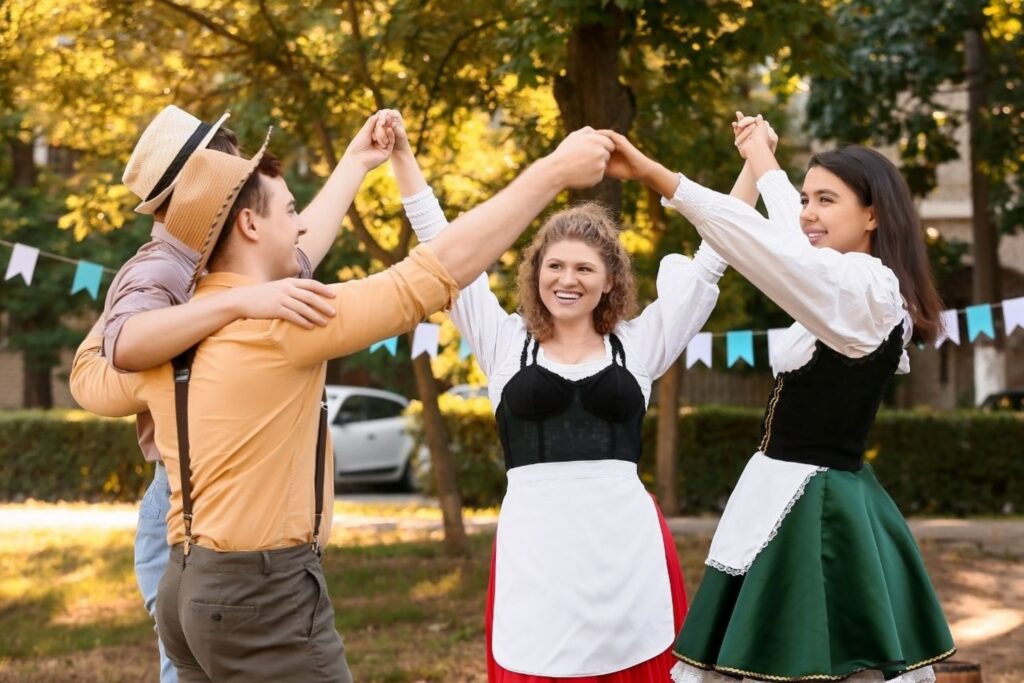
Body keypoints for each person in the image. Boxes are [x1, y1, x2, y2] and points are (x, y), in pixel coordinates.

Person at [70, 124, 614, 682]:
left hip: (186, 588)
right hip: (264, 594)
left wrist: (354, 163)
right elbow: (436, 269)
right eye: (289, 210)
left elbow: (93, 377)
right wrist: (552, 171)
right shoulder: (281, 320)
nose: (300, 223)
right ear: (250, 223)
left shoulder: (168, 334)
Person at [376, 110, 761, 682]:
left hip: (625, 554)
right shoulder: (503, 342)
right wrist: (402, 158)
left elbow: (713, 259)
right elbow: (442, 251)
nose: (567, 278)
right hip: (537, 558)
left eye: (585, 268)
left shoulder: (640, 346)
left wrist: (756, 166)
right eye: (554, 266)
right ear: (535, 275)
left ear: (610, 280)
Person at [600, 117, 954, 682]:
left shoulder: (866, 290)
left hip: (816, 509)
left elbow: (778, 249)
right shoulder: (838, 282)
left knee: (808, 662)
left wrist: (657, 175)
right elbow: (786, 241)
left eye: (827, 200)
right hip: (780, 493)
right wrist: (760, 157)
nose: (808, 211)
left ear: (873, 214)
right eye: (806, 197)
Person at [88, 104, 383, 682]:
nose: (246, 179)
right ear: (196, 184)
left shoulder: (216, 255)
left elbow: (301, 248)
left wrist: (355, 162)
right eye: (231, 168)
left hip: (230, 505)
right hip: (186, 500)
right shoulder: (162, 265)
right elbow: (123, 344)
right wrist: (238, 303)